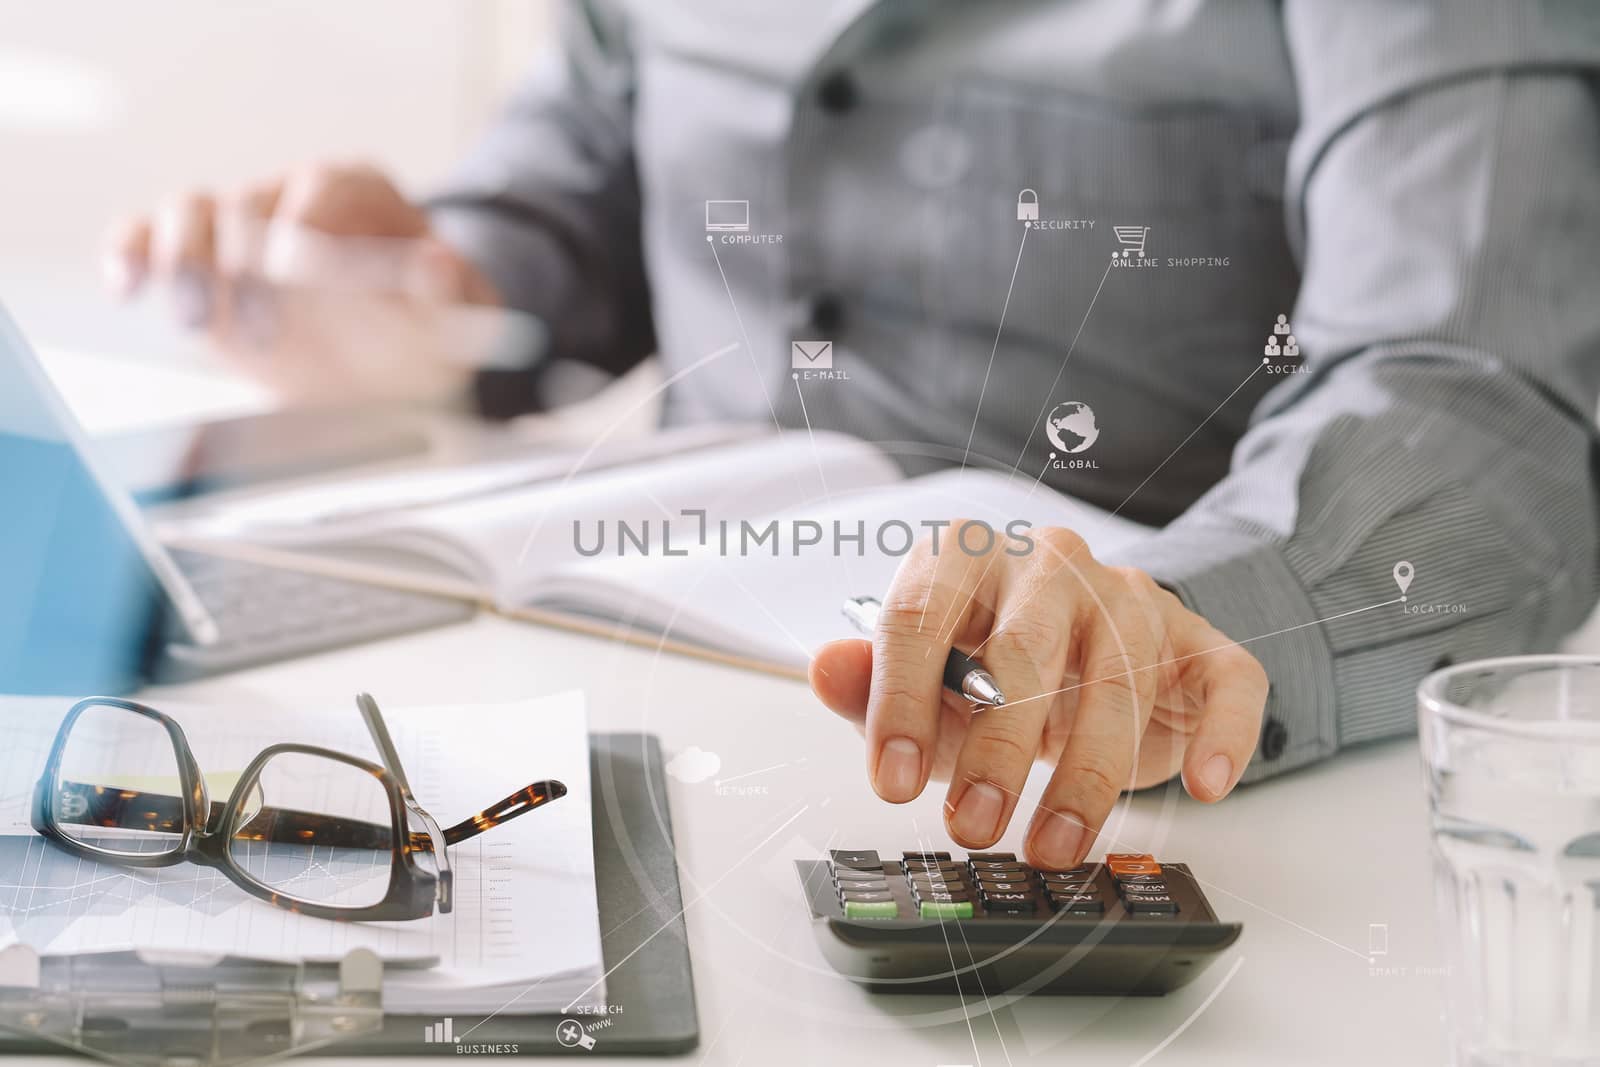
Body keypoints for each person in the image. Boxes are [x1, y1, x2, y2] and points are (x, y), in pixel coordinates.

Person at [103, 1, 1600, 870]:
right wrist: (439, 277)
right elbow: (591, 171)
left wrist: (1184, 625)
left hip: (1125, 817)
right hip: (616, 713)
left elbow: (1478, 376)